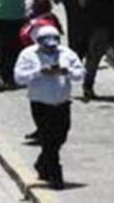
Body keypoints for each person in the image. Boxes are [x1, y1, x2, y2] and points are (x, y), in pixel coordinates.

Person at [14, 26, 85, 189]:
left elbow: (80, 74)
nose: (50, 49)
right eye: (46, 46)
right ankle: (55, 174)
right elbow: (19, 78)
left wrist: (66, 71)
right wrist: (39, 72)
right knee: (47, 138)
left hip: (62, 102)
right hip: (40, 103)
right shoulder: (28, 55)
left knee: (60, 136)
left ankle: (42, 164)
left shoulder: (67, 54)